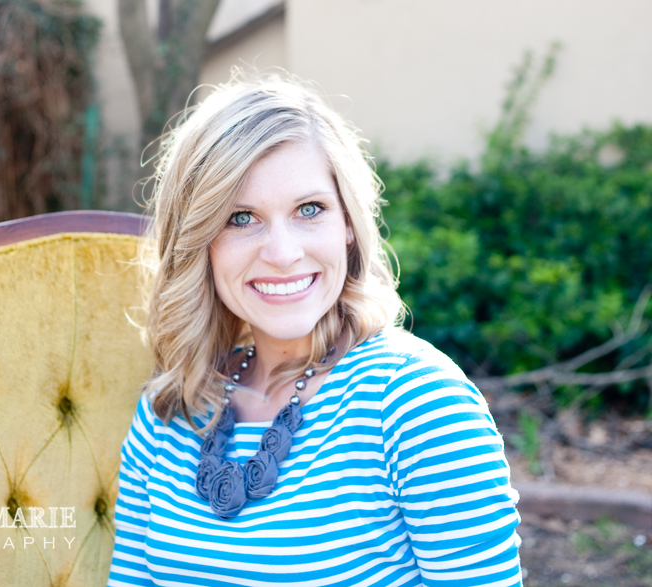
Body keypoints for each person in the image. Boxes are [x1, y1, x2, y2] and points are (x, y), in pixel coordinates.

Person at [108, 74, 522, 587]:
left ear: (347, 224)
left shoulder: (417, 403)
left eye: (310, 210)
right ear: (198, 242)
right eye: (241, 218)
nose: (283, 253)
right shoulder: (168, 411)